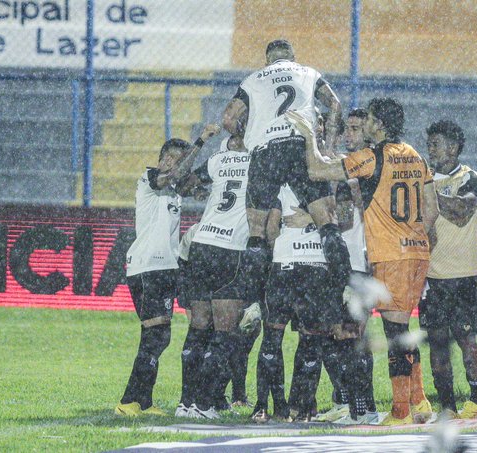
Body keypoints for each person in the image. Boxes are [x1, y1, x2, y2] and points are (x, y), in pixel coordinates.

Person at [285, 97, 440, 426]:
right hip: (418, 253)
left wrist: (308, 135)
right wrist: (413, 236)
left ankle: (399, 413)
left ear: (379, 125)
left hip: (391, 254)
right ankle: (420, 402)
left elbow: (316, 170)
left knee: (395, 332)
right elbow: (432, 210)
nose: (365, 124)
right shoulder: (417, 156)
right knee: (403, 328)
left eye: (368, 119)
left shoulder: (373, 158)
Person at [221, 39, 352, 326]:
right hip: (301, 146)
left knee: (257, 231)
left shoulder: (253, 79)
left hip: (267, 151)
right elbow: (335, 104)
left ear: (268, 60)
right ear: (293, 57)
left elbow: (229, 119)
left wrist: (250, 136)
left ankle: (253, 303)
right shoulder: (308, 72)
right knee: (327, 222)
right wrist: (326, 147)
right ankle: (346, 290)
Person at [115, 125, 220, 417]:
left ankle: (141, 402)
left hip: (164, 269)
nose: (175, 164)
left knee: (159, 336)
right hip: (149, 267)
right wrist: (202, 141)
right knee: (155, 336)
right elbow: (173, 176)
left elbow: (203, 187)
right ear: (161, 159)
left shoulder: (174, 191)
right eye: (172, 158)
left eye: (180, 159)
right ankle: (129, 402)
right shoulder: (149, 178)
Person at [173, 133, 255, 419]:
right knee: (225, 332)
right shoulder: (260, 160)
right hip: (230, 249)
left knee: (198, 327)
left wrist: (200, 190)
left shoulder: (218, 160)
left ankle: (186, 403)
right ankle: (206, 404)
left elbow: (181, 182)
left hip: (202, 244)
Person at [251, 183, 343, 423]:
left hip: (285, 265)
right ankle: (302, 410)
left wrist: (282, 247)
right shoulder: (327, 184)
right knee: (312, 341)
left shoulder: (280, 186)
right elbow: (343, 217)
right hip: (317, 266)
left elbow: (271, 229)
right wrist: (316, 218)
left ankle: (268, 407)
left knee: (272, 338)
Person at [313, 108, 379, 425]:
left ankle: (365, 409)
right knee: (331, 337)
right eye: (347, 129)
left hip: (356, 263)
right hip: (331, 264)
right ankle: (344, 401)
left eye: (356, 129)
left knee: (353, 338)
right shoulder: (339, 167)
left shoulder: (366, 169)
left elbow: (346, 219)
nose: (350, 134)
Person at [419, 120, 477, 419]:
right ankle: (447, 406)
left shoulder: (470, 178)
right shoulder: (426, 180)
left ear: (454, 147)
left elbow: (461, 212)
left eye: (436, 143)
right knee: (437, 345)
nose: (431, 149)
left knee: (467, 341)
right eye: (430, 143)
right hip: (432, 277)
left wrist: (427, 194)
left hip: (465, 276)